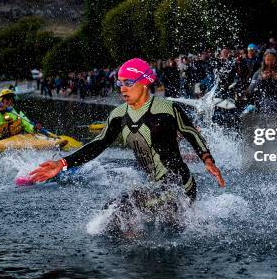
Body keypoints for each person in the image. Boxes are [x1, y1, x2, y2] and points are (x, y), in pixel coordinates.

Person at [27, 58, 225, 233]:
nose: (122, 88)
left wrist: (207, 160)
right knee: (112, 212)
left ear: (145, 83)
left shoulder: (166, 109)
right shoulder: (119, 115)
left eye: (128, 83)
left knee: (122, 209)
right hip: (158, 187)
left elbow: (191, 133)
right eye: (120, 83)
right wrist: (63, 163)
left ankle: (135, 253)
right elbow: (98, 144)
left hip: (180, 187)